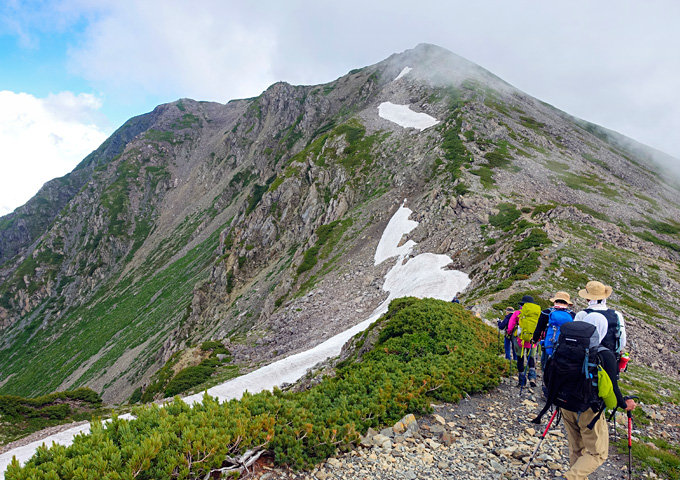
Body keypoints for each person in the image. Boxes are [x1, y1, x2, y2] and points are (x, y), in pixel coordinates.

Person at [560, 312, 636, 480]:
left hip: (565, 403)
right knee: (598, 453)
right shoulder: (604, 354)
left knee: (576, 447)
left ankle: (576, 476)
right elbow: (612, 390)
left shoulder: (566, 347)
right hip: (588, 409)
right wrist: (624, 404)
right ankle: (569, 478)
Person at [574, 281, 627, 364]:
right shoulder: (617, 315)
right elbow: (622, 342)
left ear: (588, 299)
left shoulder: (582, 315)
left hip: (586, 361)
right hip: (610, 361)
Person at [531, 291, 576, 368]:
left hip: (549, 342)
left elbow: (539, 328)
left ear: (555, 301)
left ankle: (546, 377)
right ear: (567, 303)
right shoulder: (572, 314)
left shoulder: (546, 312)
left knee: (546, 365)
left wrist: (534, 339)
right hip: (565, 345)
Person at [506, 295, 540, 388]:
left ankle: (522, 381)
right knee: (531, 357)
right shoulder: (536, 313)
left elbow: (510, 326)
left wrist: (509, 333)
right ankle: (532, 378)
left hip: (519, 339)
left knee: (520, 358)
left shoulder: (517, 313)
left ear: (522, 304)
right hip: (532, 339)